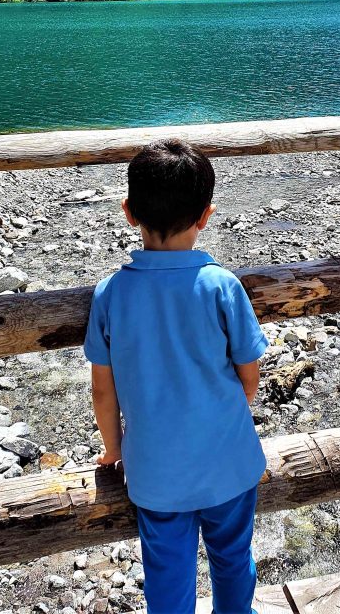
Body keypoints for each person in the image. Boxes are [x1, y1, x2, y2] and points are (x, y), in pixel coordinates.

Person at [84, 138, 268, 614]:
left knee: (167, 576)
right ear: (206, 215)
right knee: (233, 559)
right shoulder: (221, 285)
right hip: (229, 461)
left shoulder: (111, 294)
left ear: (129, 211)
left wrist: (114, 449)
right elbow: (250, 375)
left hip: (156, 473)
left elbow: (103, 389)